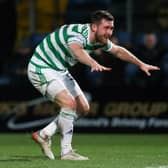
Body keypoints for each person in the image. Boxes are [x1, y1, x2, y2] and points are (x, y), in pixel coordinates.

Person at [27, 10, 160, 160]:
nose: (109, 32)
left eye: (111, 28)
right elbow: (77, 51)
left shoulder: (99, 38)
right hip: (41, 68)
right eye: (106, 28)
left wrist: (141, 64)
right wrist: (93, 62)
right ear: (94, 27)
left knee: (83, 108)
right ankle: (66, 152)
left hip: (59, 69)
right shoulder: (78, 35)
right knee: (69, 104)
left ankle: (44, 134)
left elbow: (117, 51)